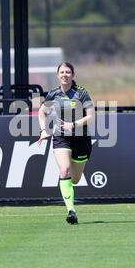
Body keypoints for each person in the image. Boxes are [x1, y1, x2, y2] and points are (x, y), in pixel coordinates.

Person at [37, 62, 95, 225]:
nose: (65, 75)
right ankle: (71, 211)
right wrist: (43, 130)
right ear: (57, 75)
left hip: (81, 139)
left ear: (73, 75)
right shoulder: (53, 94)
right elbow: (42, 111)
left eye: (68, 72)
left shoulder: (81, 93)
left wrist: (74, 124)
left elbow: (91, 116)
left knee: (75, 179)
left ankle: (71, 199)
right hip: (61, 137)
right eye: (62, 72)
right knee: (64, 170)